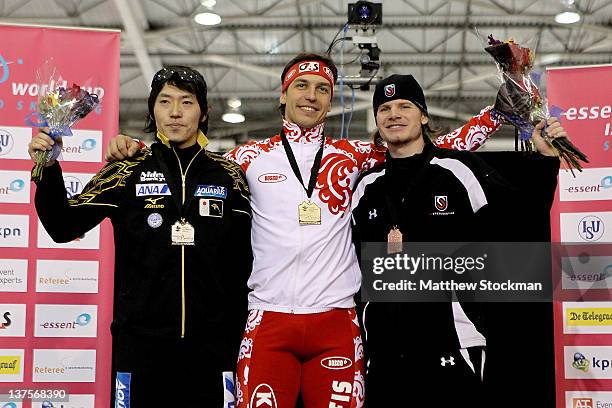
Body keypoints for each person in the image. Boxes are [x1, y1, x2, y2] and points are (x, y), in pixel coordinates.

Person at [105, 53, 504, 407]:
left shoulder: (354, 156)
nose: (310, 96)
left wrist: (497, 114)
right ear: (283, 94)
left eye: (322, 89)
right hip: (267, 317)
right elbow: (189, 166)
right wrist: (138, 150)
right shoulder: (248, 157)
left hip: (336, 319)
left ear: (331, 100)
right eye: (301, 86)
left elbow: (433, 147)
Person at [28, 66, 252, 407]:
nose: (175, 112)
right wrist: (48, 166)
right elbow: (62, 226)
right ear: (153, 109)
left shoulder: (230, 175)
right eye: (165, 102)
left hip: (213, 347)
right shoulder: (125, 169)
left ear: (203, 111)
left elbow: (248, 258)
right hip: (140, 346)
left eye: (186, 102)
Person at [350, 74, 563, 406]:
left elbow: (521, 218)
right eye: (385, 108)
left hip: (452, 342)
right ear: (376, 119)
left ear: (423, 115)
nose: (394, 114)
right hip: (384, 352)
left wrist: (546, 160)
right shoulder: (366, 187)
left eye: (405, 106)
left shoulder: (459, 170)